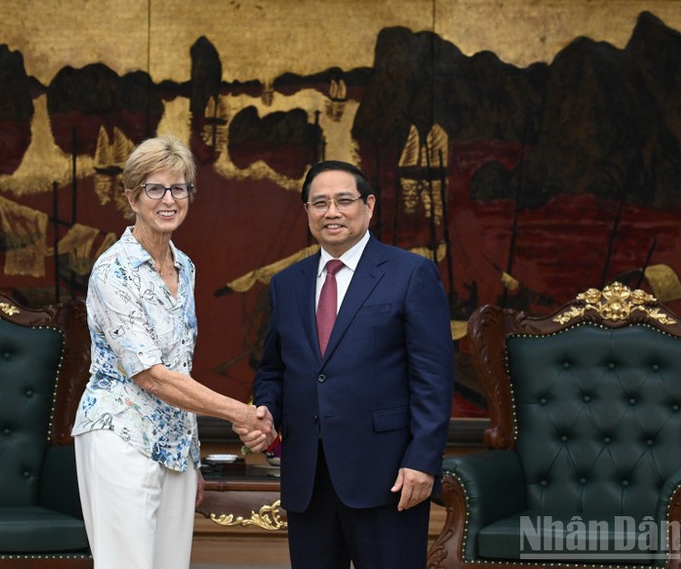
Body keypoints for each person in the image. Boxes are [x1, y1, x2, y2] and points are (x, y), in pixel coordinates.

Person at [237, 160, 454, 569]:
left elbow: (433, 378)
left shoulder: (410, 274)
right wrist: (266, 410)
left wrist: (423, 461)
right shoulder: (288, 283)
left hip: (389, 475)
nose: (331, 212)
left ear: (368, 206)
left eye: (343, 201)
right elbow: (273, 370)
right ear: (307, 213)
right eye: (319, 203)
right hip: (308, 478)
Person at [72, 134, 273, 569]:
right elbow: (151, 374)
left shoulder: (185, 266)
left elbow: (180, 364)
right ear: (132, 196)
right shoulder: (113, 270)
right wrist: (241, 412)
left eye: (179, 188)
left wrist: (191, 457)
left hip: (176, 446)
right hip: (120, 434)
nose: (168, 199)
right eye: (155, 188)